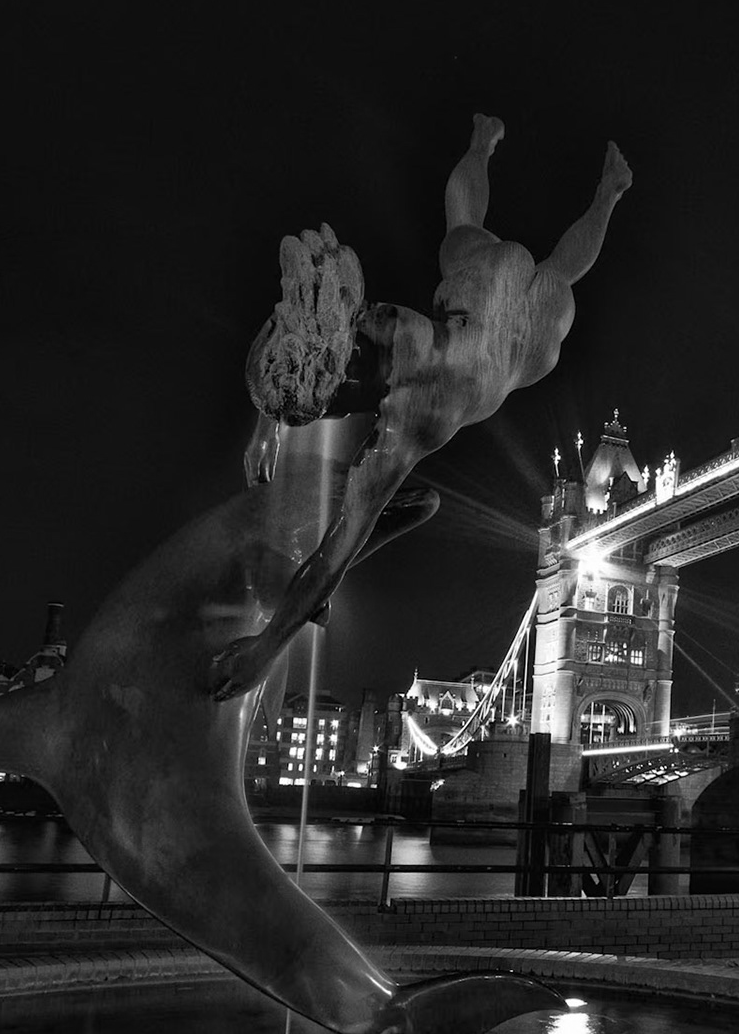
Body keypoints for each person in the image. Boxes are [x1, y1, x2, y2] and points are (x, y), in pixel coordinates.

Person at [212, 115, 632, 700]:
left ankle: (601, 188)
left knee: (554, 270)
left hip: (520, 336)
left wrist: (263, 651)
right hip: (484, 293)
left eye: (328, 407)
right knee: (469, 230)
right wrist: (268, 422)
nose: (337, 415)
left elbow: (333, 556)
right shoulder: (389, 327)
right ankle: (520, 158)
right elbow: (310, 324)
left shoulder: (403, 430)